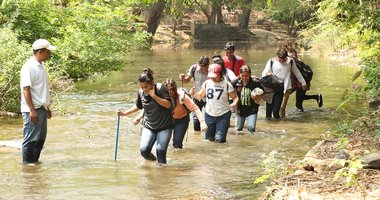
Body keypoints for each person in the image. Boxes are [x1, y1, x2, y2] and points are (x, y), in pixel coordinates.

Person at [117, 68, 173, 165]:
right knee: (144, 151)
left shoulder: (160, 88)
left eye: (146, 86)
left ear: (152, 83)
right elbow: (139, 106)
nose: (144, 89)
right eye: (141, 87)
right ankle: (154, 165)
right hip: (149, 126)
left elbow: (168, 104)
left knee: (160, 151)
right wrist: (125, 113)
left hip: (164, 126)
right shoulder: (141, 92)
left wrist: (153, 95)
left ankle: (162, 174)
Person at [20, 39, 56, 164]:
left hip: (41, 108)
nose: (49, 54)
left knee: (40, 139)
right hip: (33, 109)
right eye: (48, 51)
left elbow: (41, 89)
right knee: (30, 140)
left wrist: (47, 107)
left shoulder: (40, 66)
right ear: (40, 51)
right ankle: (27, 167)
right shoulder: (29, 67)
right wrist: (32, 110)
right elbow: (26, 89)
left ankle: (34, 166)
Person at [192, 64, 239, 143]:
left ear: (221, 74)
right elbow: (199, 96)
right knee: (208, 140)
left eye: (215, 76)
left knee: (220, 140)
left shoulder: (227, 84)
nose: (213, 78)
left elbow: (236, 98)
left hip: (223, 116)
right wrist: (193, 94)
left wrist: (235, 103)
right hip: (209, 115)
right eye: (211, 76)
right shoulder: (207, 83)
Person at [261, 48, 307, 120]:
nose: (282, 62)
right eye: (280, 60)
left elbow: (297, 72)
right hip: (270, 88)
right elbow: (263, 73)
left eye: (283, 60)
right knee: (268, 113)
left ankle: (278, 128)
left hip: (281, 88)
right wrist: (268, 73)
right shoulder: (271, 61)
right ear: (277, 57)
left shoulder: (290, 62)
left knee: (276, 111)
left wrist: (303, 82)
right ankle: (269, 129)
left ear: (286, 57)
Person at [163, 79, 207, 149]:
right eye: (168, 90)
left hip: (181, 120)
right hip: (167, 120)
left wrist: (202, 122)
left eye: (172, 89)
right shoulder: (161, 94)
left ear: (175, 89)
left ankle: (178, 158)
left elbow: (195, 108)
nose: (170, 92)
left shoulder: (182, 96)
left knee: (177, 145)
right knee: (163, 143)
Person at [179, 56, 209, 131]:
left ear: (208, 65)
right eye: (201, 67)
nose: (203, 70)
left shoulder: (211, 70)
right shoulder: (194, 68)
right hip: (196, 96)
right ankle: (197, 136)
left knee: (208, 119)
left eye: (204, 68)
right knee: (196, 121)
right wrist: (182, 78)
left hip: (208, 97)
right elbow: (186, 81)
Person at [231, 65, 263, 134]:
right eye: (242, 76)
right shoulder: (235, 82)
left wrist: (258, 96)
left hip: (252, 109)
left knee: (251, 128)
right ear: (239, 75)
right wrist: (234, 101)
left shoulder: (255, 82)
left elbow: (263, 92)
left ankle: (252, 143)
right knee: (238, 129)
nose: (244, 78)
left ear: (250, 75)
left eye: (247, 76)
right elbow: (228, 91)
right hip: (240, 109)